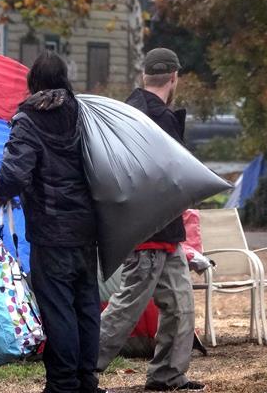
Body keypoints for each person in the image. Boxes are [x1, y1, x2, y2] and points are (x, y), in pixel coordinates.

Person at [0, 51, 102, 393]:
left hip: (51, 231)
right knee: (86, 306)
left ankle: (62, 384)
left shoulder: (28, 119)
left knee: (59, 310)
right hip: (87, 228)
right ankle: (87, 381)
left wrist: (0, 193)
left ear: (33, 82)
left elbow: (15, 172)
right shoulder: (84, 113)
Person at [96, 48, 203, 392]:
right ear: (174, 77)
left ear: (145, 76)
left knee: (180, 305)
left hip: (157, 231)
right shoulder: (159, 118)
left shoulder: (125, 111)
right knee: (126, 307)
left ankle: (167, 374)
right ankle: (81, 370)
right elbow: (172, 178)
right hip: (150, 232)